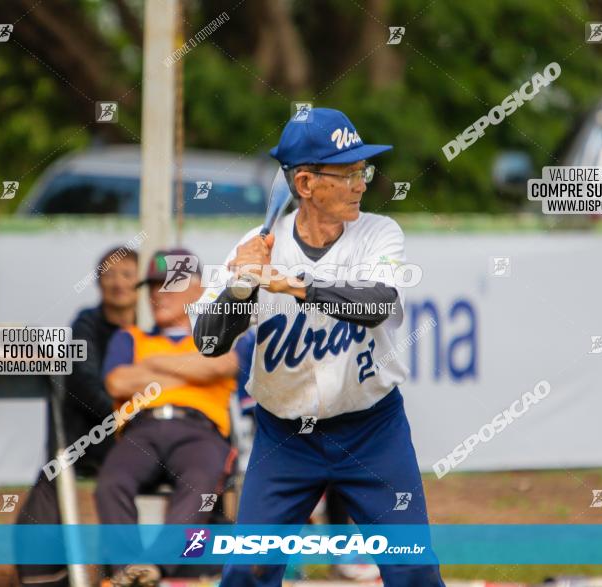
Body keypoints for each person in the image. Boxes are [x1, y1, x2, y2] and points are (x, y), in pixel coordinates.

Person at [191, 108, 445, 586]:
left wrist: (293, 284)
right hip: (284, 438)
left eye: (362, 171)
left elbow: (378, 301)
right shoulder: (256, 245)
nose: (360, 183)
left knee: (413, 568)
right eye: (347, 173)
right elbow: (208, 340)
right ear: (304, 184)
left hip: (372, 431)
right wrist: (240, 289)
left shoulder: (378, 233)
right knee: (247, 571)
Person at [96, 248, 254, 587]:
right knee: (111, 482)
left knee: (200, 483)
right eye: (153, 286)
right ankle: (127, 571)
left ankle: (154, 567)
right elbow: (117, 381)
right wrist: (189, 372)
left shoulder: (218, 336)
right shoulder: (130, 337)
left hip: (200, 431)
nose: (157, 294)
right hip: (143, 428)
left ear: (197, 290)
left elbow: (223, 365)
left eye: (169, 285)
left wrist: (152, 366)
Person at [16, 246, 138, 587]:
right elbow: (84, 383)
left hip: (142, 440)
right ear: (98, 282)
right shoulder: (85, 324)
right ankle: (46, 578)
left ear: (140, 282)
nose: (118, 283)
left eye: (127, 274)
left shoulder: (152, 328)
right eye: (109, 275)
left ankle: (150, 572)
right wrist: (123, 420)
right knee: (46, 491)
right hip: (91, 438)